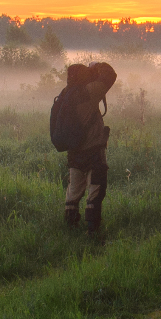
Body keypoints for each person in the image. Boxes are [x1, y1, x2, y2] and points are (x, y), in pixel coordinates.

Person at [61, 61, 117, 232]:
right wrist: (97, 65)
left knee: (73, 192)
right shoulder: (88, 92)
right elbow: (110, 76)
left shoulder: (66, 94)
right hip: (92, 150)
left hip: (74, 152)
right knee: (96, 190)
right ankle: (93, 231)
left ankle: (70, 229)